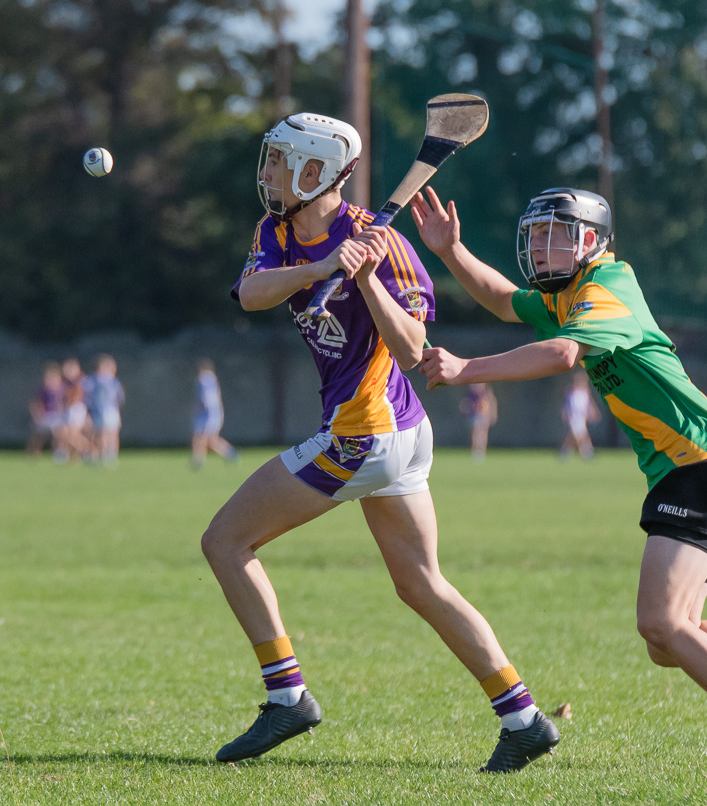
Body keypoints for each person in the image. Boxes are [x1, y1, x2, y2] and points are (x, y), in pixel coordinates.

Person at [411, 185, 707, 771]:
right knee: (669, 641)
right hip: (685, 469)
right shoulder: (569, 293)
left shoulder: (606, 287)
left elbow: (559, 355)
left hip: (698, 465)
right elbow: (505, 301)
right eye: (536, 237)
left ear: (591, 241)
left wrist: (465, 369)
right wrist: (452, 251)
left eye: (554, 235)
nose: (540, 248)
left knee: (661, 623)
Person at [201, 113, 558, 773]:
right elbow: (250, 294)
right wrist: (322, 265)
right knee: (422, 584)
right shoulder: (276, 231)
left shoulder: (383, 244)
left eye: (279, 162)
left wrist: (364, 280)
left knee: (224, 541)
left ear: (314, 172)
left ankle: (288, 697)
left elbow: (416, 350)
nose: (268, 173)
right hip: (384, 433)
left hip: (368, 431)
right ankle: (524, 719)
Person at [191, 359, 238, 469]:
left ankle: (230, 453)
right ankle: (199, 460)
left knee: (205, 438)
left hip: (208, 414)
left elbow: (207, 399)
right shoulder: (211, 379)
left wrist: (199, 408)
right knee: (203, 438)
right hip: (212, 413)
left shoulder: (205, 379)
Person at [84, 355, 126, 466]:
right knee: (100, 433)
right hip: (98, 411)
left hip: (111, 410)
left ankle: (112, 454)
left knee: (113, 432)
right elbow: (87, 396)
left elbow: (120, 397)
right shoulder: (92, 381)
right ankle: (100, 454)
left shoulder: (114, 381)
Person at [27, 362, 66, 461]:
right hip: (44, 415)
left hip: (57, 415)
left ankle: (59, 453)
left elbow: (64, 403)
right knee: (37, 436)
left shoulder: (62, 389)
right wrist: (37, 414)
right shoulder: (42, 390)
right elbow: (35, 403)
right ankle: (33, 454)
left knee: (59, 434)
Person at [560, 371, 598, 461]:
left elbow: (588, 404)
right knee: (578, 435)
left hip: (582, 417)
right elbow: (567, 404)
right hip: (574, 416)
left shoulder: (585, 392)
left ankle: (566, 452)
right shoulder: (570, 391)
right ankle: (586, 452)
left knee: (578, 435)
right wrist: (565, 413)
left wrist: (592, 413)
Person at [60, 357, 90, 462]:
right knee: (67, 435)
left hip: (76, 409)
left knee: (71, 435)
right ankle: (73, 458)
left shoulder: (80, 381)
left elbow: (77, 397)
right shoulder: (66, 382)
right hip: (68, 409)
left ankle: (90, 451)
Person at [460, 383, 497, 463]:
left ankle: (482, 450)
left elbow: (492, 404)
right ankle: (475, 451)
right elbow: (466, 404)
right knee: (475, 434)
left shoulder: (486, 393)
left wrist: (493, 415)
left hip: (483, 415)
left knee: (483, 434)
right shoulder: (471, 394)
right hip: (474, 415)